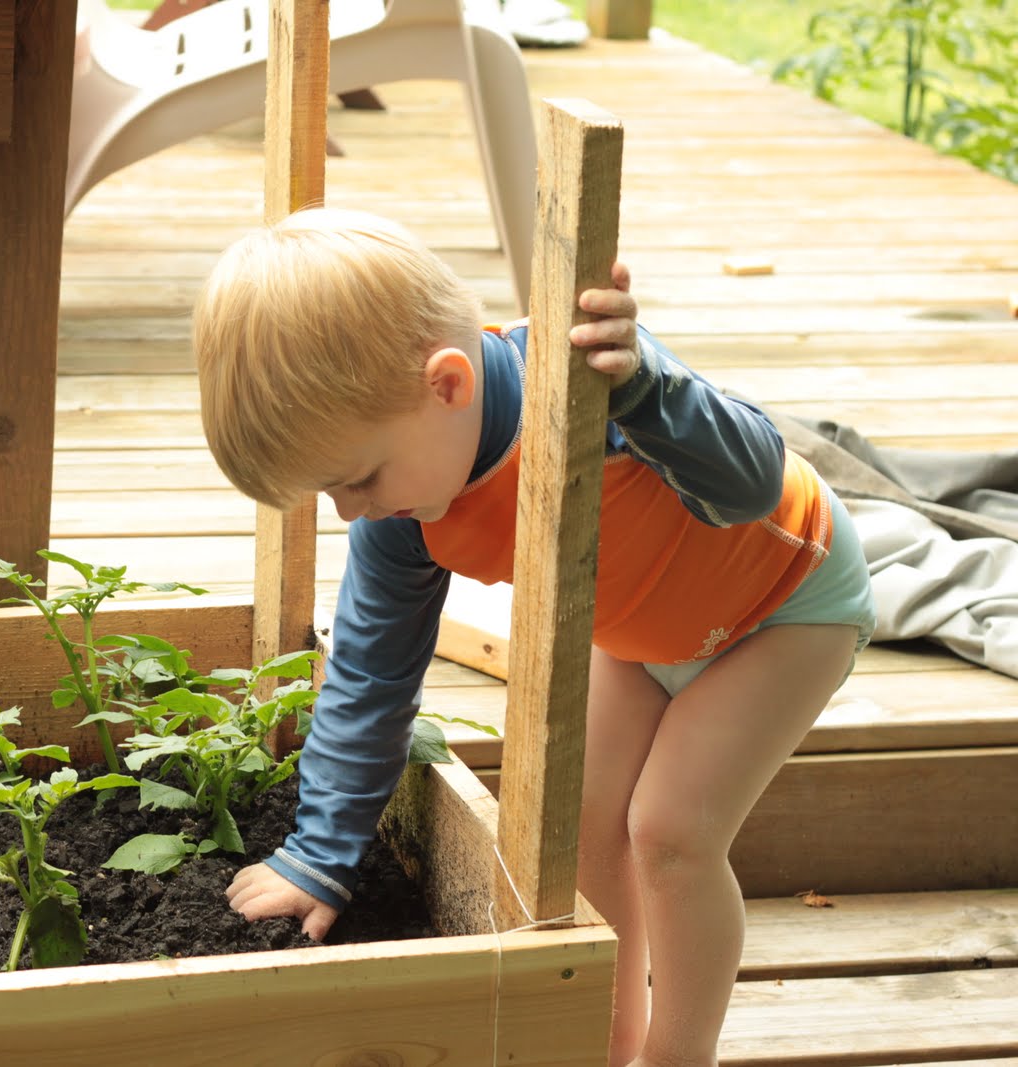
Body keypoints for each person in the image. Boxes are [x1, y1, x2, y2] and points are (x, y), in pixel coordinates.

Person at [191, 207, 875, 1067]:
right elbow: (370, 674)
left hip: (783, 602)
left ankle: (677, 1057)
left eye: (357, 478)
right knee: (580, 822)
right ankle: (603, 1044)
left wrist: (648, 388)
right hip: (639, 628)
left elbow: (748, 480)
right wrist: (320, 853)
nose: (351, 510)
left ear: (448, 385)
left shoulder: (592, 383)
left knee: (669, 828)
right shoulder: (405, 511)